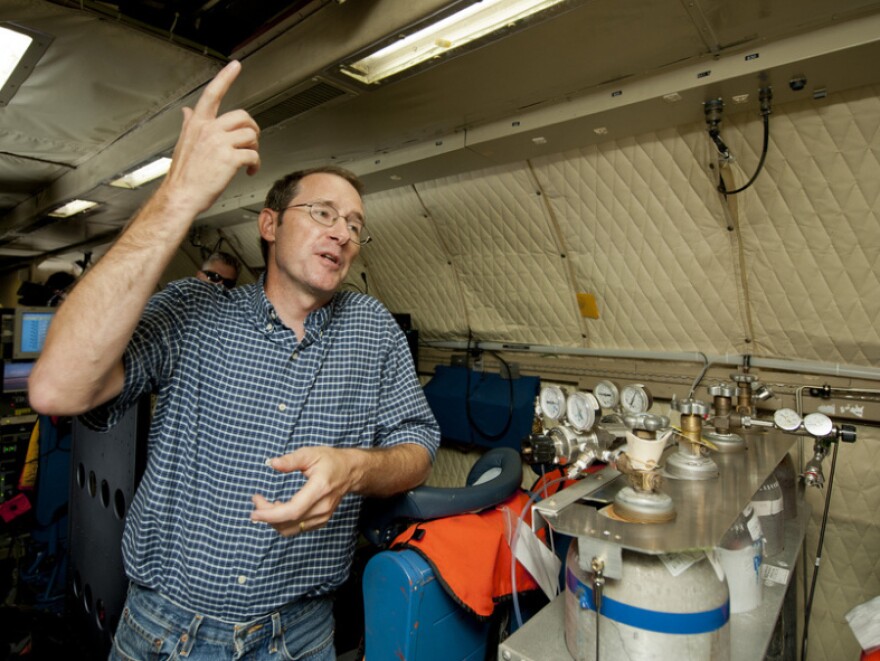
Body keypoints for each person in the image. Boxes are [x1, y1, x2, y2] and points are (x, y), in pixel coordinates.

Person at [27, 60, 440, 660]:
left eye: (355, 224)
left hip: (301, 637)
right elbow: (57, 389)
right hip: (166, 632)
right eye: (323, 213)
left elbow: (419, 448)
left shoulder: (372, 328)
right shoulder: (197, 309)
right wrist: (178, 197)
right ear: (269, 224)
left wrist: (355, 468)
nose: (343, 233)